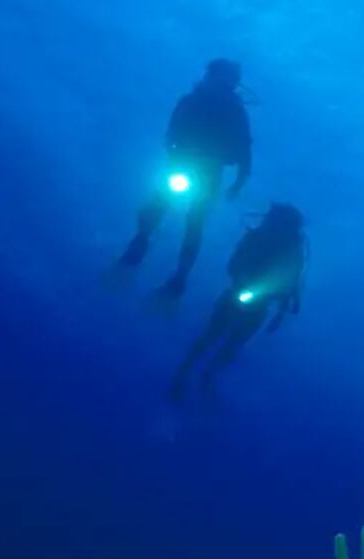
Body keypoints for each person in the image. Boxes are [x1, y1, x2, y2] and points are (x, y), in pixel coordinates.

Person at [110, 58, 253, 306]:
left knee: (191, 221)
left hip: (206, 168)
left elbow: (244, 148)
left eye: (227, 79)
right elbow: (172, 131)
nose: (223, 83)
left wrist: (239, 181)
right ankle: (141, 242)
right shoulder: (192, 101)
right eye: (220, 77)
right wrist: (238, 181)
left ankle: (178, 276)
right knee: (161, 207)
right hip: (186, 163)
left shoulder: (234, 110)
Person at [168, 203, 307, 403]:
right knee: (214, 336)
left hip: (257, 302)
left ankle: (206, 375)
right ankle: (186, 373)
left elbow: (292, 282)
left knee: (230, 342)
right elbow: (235, 263)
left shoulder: (292, 250)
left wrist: (280, 310)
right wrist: (244, 283)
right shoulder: (259, 238)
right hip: (239, 296)